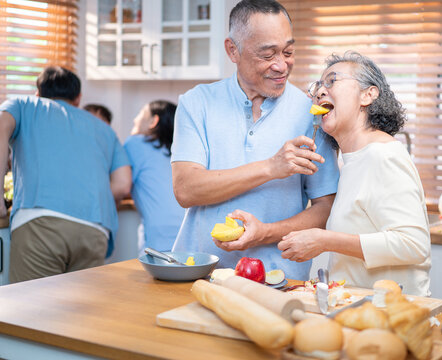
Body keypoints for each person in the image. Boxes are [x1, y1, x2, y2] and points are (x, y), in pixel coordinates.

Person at [170, 0, 340, 280]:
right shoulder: (196, 103)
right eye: (267, 54)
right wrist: (271, 168)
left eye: (288, 52)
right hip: (199, 272)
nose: (282, 65)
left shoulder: (311, 112)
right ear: (232, 50)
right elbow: (186, 190)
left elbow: (324, 207)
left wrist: (265, 233)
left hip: (279, 278)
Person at [278, 51, 431, 296]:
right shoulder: (352, 160)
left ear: (367, 95)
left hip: (391, 315)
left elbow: (413, 245)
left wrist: (324, 240)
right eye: (318, 85)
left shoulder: (383, 155)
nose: (319, 91)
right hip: (361, 309)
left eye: (331, 81)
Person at [0, 66, 132, 283]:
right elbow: (123, 184)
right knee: (81, 315)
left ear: (38, 92)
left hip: (41, 223)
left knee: (31, 310)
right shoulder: (105, 129)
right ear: (78, 98)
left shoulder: (23, 105)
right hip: (94, 229)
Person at [124, 100, 185, 254]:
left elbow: (121, 184)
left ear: (154, 121)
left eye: (140, 114)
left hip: (160, 237)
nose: (135, 119)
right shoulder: (180, 151)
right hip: (188, 234)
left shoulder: (136, 143)